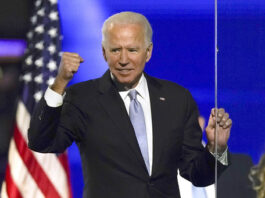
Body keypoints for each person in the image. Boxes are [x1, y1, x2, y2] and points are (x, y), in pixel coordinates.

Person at [28, 11, 232, 198]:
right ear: (104, 52)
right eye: (115, 50)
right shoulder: (83, 98)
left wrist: (216, 147)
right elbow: (42, 143)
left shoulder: (176, 98)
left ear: (148, 52)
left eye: (132, 50)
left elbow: (197, 175)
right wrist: (60, 83)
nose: (123, 60)